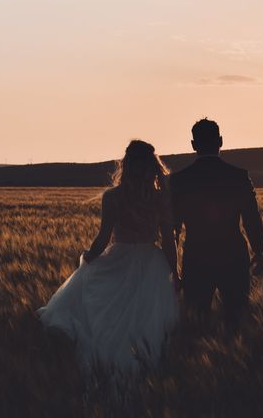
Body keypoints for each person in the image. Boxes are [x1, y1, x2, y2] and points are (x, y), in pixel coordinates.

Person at [37, 140, 179, 373]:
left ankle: (106, 363)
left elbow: (104, 237)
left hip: (118, 257)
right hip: (152, 263)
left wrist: (89, 258)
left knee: (111, 315)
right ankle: (144, 367)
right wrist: (175, 271)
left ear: (127, 163)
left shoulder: (113, 196)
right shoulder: (160, 197)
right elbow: (168, 239)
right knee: (144, 318)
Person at [170, 118, 263, 330]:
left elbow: (172, 228)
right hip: (233, 255)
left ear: (193, 145)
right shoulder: (238, 176)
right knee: (237, 317)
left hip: (195, 257)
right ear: (221, 141)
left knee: (196, 318)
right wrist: (260, 252)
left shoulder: (179, 180)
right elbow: (252, 218)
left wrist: (171, 266)